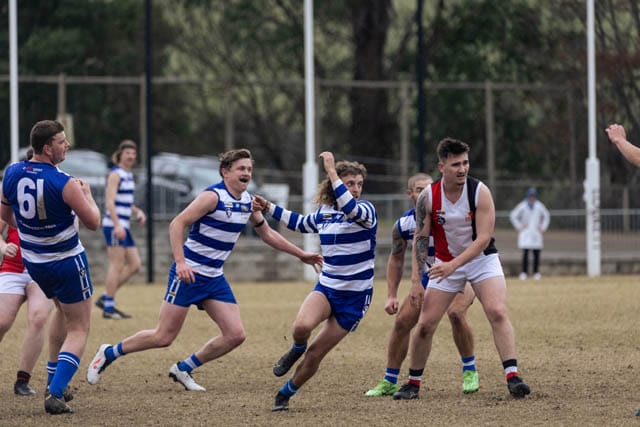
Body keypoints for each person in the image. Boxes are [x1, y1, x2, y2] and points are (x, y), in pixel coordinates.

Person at [86, 148, 322, 393]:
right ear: (225, 172)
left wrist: (301, 254)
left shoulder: (249, 202)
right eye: (241, 168)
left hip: (214, 278)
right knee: (163, 337)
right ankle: (109, 352)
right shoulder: (212, 196)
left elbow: (267, 234)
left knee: (235, 335)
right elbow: (177, 223)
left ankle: (184, 368)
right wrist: (181, 263)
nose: (246, 173)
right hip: (189, 273)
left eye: (249, 169)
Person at [393, 137, 530, 400]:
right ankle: (412, 383)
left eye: (465, 163)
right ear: (441, 167)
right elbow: (420, 238)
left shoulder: (479, 192)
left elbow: (483, 239)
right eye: (456, 164)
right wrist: (415, 281)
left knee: (497, 311)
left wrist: (453, 265)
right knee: (425, 324)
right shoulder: (428, 196)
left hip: (481, 260)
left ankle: (513, 377)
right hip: (445, 263)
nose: (462, 169)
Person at [253, 152, 377, 412]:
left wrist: (332, 171)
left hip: (354, 299)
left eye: (359, 184)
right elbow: (300, 223)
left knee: (316, 353)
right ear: (336, 186)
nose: (355, 189)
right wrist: (268, 207)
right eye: (350, 183)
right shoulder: (325, 213)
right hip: (328, 287)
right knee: (301, 327)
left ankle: (284, 394)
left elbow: (350, 208)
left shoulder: (365, 211)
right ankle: (296, 347)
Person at [1, 120, 101, 414]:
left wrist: (33, 225)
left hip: (35, 263)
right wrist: (88, 195)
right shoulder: (65, 183)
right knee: (79, 328)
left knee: (61, 310)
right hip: (66, 261)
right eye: (61, 141)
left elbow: (6, 216)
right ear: (47, 148)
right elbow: (93, 223)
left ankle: (53, 379)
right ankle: (55, 393)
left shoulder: (12, 172)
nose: (67, 145)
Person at [365, 173, 480, 397]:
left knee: (456, 313)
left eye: (428, 188)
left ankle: (469, 370)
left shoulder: (450, 216)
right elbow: (396, 260)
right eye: (419, 190)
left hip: (462, 271)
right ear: (410, 194)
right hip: (431, 276)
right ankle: (389, 380)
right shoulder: (403, 225)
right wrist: (391, 295)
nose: (425, 194)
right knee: (403, 322)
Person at [0, 218, 54, 396]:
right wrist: (3, 246)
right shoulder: (11, 201)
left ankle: (22, 380)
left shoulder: (57, 200)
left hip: (43, 269)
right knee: (2, 321)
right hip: (12, 269)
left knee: (39, 318)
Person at [96, 140, 146, 319]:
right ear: (120, 155)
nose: (131, 156)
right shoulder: (115, 174)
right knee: (117, 265)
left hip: (124, 225)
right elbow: (109, 202)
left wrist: (137, 211)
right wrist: (117, 225)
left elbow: (124, 201)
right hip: (114, 226)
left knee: (135, 265)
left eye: (133, 153)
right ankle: (109, 308)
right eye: (127, 153)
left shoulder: (128, 175)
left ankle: (105, 297)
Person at [509, 187, 550, 280]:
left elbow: (547, 216)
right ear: (527, 197)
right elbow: (513, 215)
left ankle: (536, 273)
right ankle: (524, 272)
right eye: (530, 196)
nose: (532, 198)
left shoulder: (539, 206)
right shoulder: (522, 206)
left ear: (535, 197)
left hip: (536, 233)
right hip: (526, 233)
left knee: (536, 254)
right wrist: (520, 226)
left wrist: (543, 227)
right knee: (525, 254)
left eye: (533, 196)